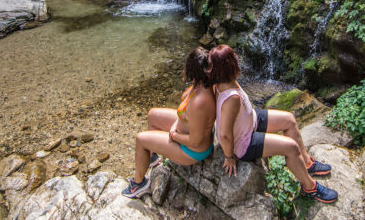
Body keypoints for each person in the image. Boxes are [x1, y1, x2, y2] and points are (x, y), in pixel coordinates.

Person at [209, 45, 338, 203]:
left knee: (289, 119)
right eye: (234, 57)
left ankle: (306, 163)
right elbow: (224, 133)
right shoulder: (232, 98)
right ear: (230, 66)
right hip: (244, 142)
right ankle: (309, 187)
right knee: (291, 147)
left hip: (251, 121)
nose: (237, 57)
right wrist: (229, 157)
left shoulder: (220, 80)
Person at [122, 47, 216, 198]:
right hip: (184, 127)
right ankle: (152, 159)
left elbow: (195, 140)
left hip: (192, 150)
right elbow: (185, 97)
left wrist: (173, 135)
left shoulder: (201, 102)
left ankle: (139, 184)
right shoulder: (202, 83)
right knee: (153, 115)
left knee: (141, 139)